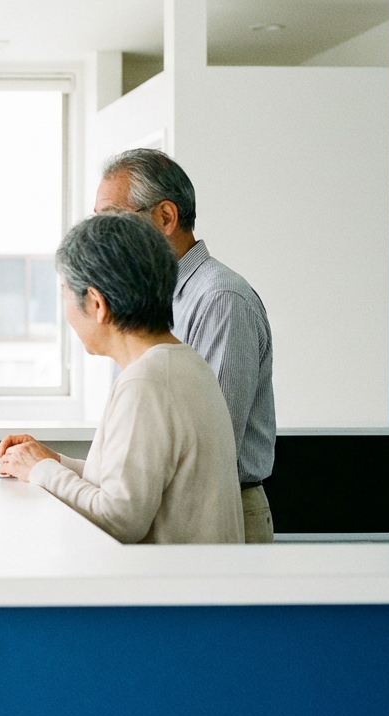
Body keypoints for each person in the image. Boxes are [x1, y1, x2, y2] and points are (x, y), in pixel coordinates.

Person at [0, 214, 243, 544]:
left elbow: (119, 518)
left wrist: (41, 470)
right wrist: (52, 461)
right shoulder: (184, 364)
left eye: (65, 293)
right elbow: (130, 484)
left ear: (97, 304)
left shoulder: (146, 383)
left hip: (171, 578)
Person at [93, 149, 277, 543]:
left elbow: (213, 446)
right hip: (168, 505)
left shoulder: (220, 299)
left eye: (112, 219)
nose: (103, 237)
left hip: (220, 511)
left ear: (165, 217)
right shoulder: (146, 299)